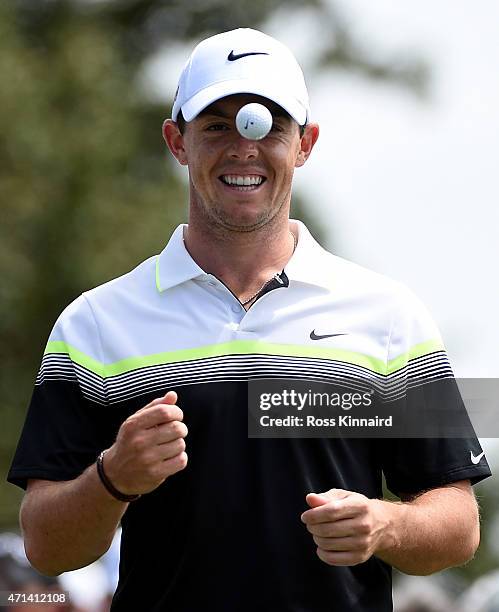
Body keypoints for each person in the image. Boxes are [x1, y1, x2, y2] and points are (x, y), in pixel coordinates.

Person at [7, 27, 491, 612]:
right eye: (216, 126)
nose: (243, 148)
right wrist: (113, 477)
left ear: (305, 142)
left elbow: (459, 526)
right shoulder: (95, 323)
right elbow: (45, 547)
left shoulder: (389, 315)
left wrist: (385, 525)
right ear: (176, 141)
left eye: (268, 126)